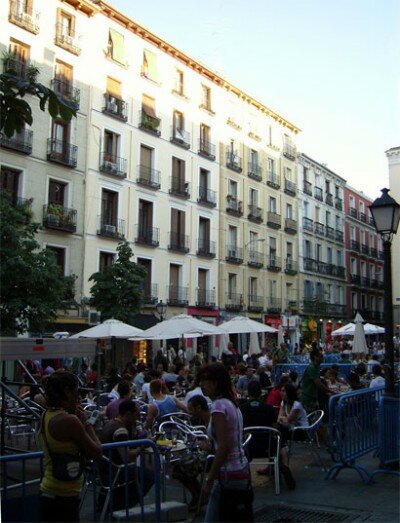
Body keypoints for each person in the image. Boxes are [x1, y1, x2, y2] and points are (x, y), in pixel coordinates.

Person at [39, 371, 102, 522]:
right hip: (63, 497)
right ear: (67, 392)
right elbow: (97, 451)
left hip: (49, 491)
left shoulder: (46, 415)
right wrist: (87, 423)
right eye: (77, 392)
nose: (79, 397)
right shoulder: (70, 421)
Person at [198, 363, 252, 522]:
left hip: (228, 474)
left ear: (217, 382)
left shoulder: (218, 406)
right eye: (200, 380)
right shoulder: (231, 404)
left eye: (206, 381)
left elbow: (224, 447)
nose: (202, 385)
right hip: (240, 469)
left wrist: (209, 479)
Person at [99, 400, 153, 511]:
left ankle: (108, 502)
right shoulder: (121, 431)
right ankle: (122, 505)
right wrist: (142, 446)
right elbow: (127, 457)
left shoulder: (110, 423)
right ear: (128, 414)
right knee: (149, 476)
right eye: (136, 415)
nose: (137, 418)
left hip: (102, 469)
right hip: (114, 471)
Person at [240, 381, 277, 472]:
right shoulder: (269, 408)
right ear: (261, 393)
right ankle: (276, 469)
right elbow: (275, 427)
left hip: (247, 448)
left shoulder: (241, 409)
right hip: (267, 447)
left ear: (248, 393)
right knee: (279, 441)